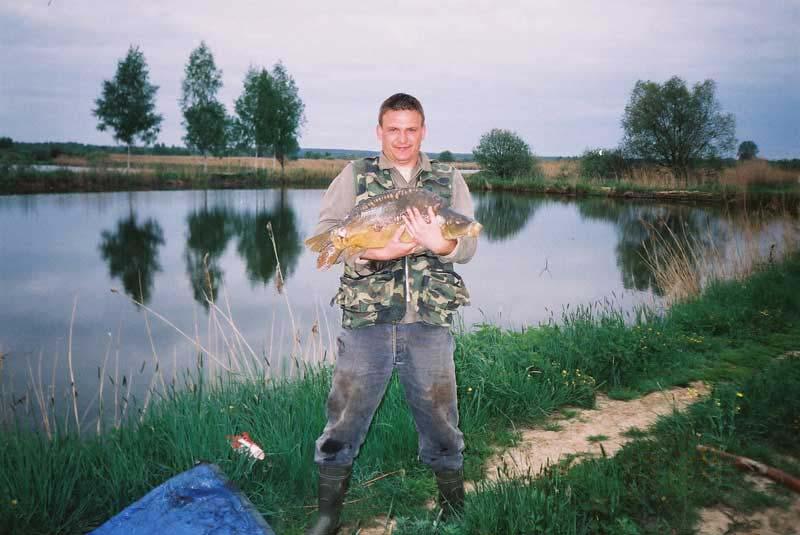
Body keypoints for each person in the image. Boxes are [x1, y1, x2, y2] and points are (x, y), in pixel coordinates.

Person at [307, 93, 477, 535]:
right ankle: (328, 515)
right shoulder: (355, 175)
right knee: (344, 416)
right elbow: (328, 234)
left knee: (442, 418)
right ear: (379, 131)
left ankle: (453, 505)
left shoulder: (447, 178)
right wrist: (377, 252)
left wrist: (443, 245)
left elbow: (469, 239)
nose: (402, 138)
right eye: (393, 128)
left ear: (423, 131)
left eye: (411, 128)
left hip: (429, 321)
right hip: (368, 321)